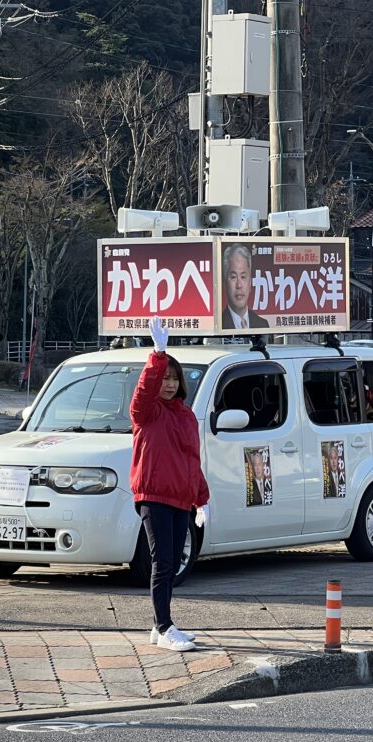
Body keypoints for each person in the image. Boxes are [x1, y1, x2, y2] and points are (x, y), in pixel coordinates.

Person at [130, 316, 211, 652]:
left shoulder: (185, 415)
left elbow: (192, 460)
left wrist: (202, 498)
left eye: (174, 379)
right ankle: (164, 627)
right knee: (162, 561)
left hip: (181, 499)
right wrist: (158, 355)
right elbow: (143, 391)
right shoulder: (146, 412)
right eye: (165, 378)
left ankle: (158, 624)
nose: (168, 383)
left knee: (174, 560)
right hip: (154, 496)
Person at [221, 244, 269, 330]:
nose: (239, 285)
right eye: (233, 277)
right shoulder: (219, 324)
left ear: (250, 282)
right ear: (225, 283)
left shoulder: (262, 324)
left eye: (243, 277)